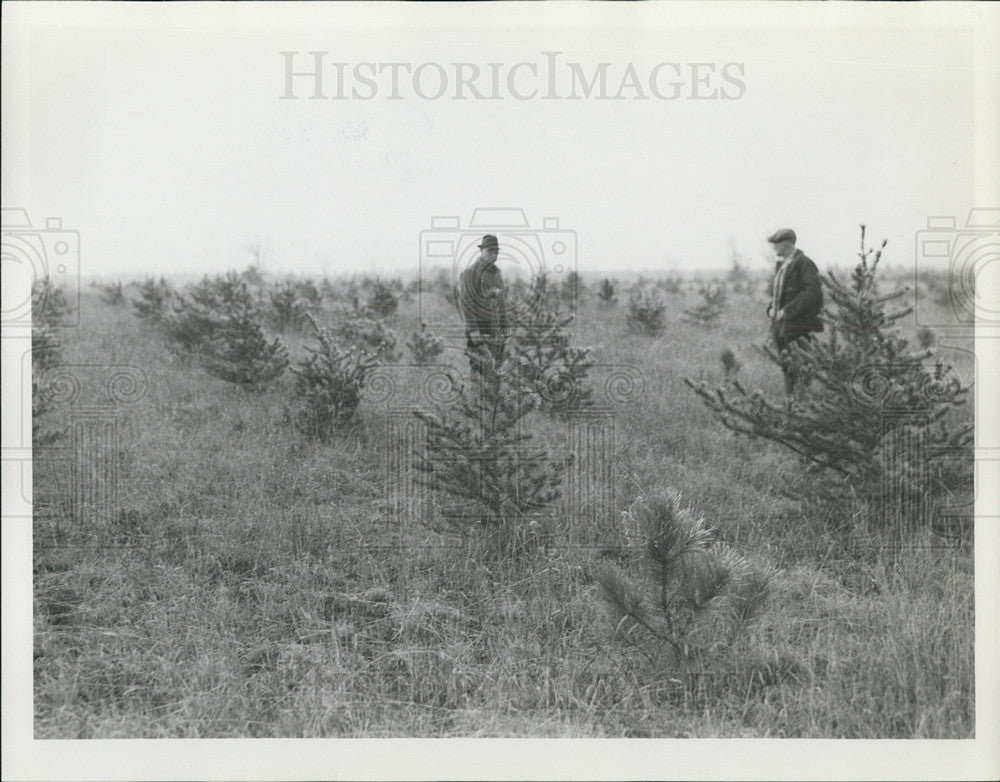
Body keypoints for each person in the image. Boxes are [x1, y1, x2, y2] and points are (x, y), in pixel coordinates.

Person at [766, 228, 823, 395]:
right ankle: (791, 406)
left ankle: (801, 406)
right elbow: (780, 295)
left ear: (786, 244)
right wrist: (771, 309)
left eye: (776, 244)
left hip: (798, 326)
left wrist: (788, 311)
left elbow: (812, 293)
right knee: (787, 368)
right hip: (781, 326)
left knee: (800, 368)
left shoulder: (805, 264)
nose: (774, 248)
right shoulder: (782, 266)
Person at [457, 234, 509, 364]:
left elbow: (501, 303)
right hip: (480, 329)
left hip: (496, 331)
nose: (493, 255)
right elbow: (466, 303)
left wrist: (505, 327)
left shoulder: (497, 274)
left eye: (496, 251)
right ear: (481, 251)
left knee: (496, 371)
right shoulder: (470, 273)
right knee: (479, 371)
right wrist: (474, 330)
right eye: (489, 251)